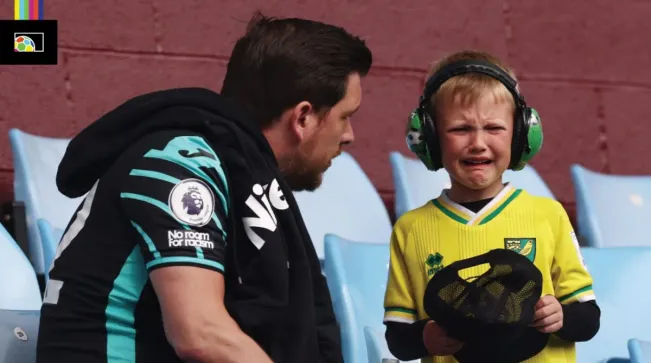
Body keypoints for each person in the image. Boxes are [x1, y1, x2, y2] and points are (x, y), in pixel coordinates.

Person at [36, 12, 372, 363]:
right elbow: (200, 334)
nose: (349, 135)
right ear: (303, 117)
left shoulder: (237, 173)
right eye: (346, 116)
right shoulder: (179, 165)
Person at [382, 50, 600, 362]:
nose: (478, 143)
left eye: (494, 128)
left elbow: (589, 318)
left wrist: (561, 316)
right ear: (429, 138)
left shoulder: (548, 215)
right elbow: (398, 338)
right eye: (460, 129)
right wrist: (424, 337)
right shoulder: (410, 229)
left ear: (520, 134)